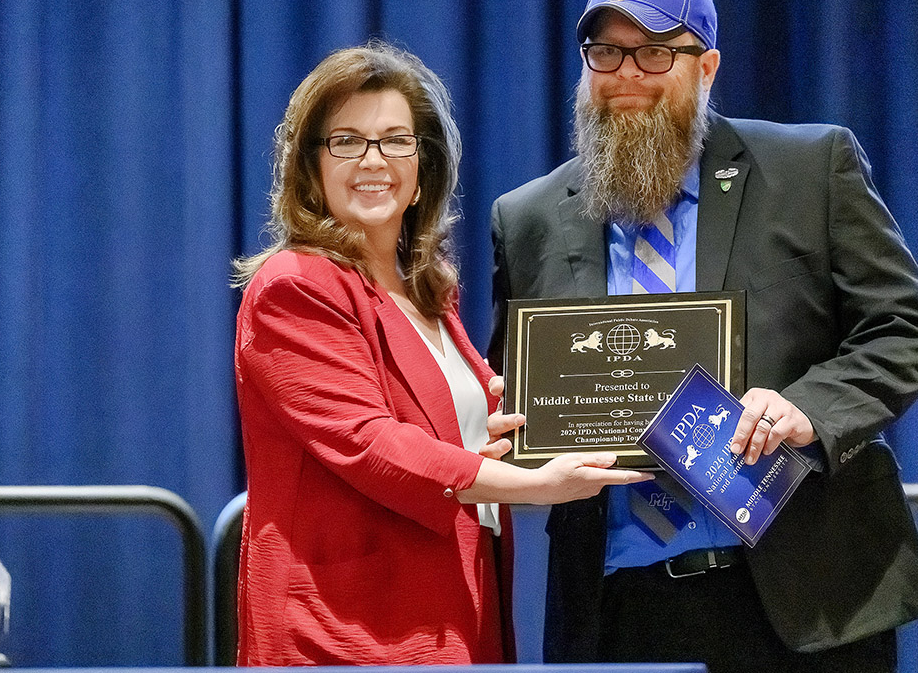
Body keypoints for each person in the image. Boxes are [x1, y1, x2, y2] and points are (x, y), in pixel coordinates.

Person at [488, 0, 918, 673]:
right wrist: (508, 430)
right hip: (621, 609)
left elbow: (907, 333)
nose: (627, 74)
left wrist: (805, 410)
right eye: (605, 52)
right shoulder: (528, 219)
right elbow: (511, 392)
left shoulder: (807, 168)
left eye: (655, 52)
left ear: (706, 67)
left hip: (804, 598)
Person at [231, 42, 649, 666]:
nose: (374, 160)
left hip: (454, 608)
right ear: (311, 166)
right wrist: (532, 485)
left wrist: (509, 428)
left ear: (422, 166)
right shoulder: (295, 284)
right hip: (346, 629)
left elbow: (438, 434)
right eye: (347, 141)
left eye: (395, 140)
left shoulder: (430, 295)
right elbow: (370, 443)